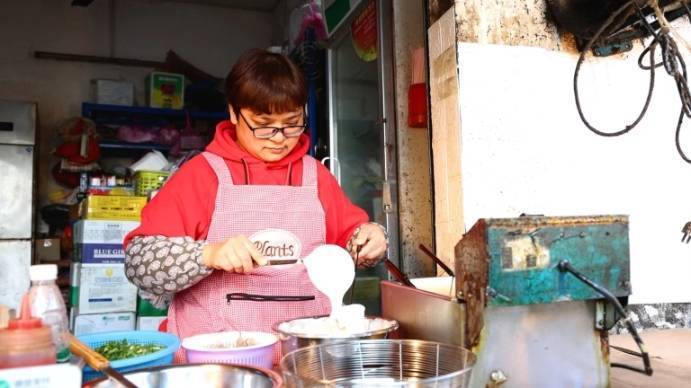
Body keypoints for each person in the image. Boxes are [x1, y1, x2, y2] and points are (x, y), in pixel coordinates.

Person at [123, 48, 388, 362]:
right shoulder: (202, 175)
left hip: (306, 361)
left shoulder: (316, 176)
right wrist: (207, 254)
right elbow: (139, 263)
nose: (279, 137)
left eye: (292, 123)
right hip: (219, 365)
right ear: (234, 113)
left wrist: (369, 239)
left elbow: (351, 239)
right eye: (264, 125)